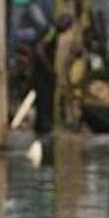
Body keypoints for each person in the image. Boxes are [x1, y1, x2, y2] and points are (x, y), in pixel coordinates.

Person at [30, 13, 74, 159]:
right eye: (66, 25)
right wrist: (49, 69)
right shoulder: (51, 31)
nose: (66, 29)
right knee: (44, 104)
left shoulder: (53, 31)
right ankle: (43, 135)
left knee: (44, 104)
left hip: (43, 75)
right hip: (42, 75)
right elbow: (40, 49)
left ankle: (41, 135)